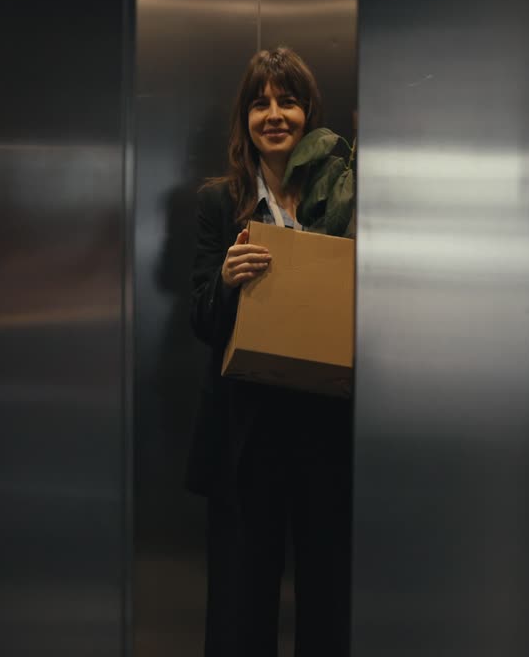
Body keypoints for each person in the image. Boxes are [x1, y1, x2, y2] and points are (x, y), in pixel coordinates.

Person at [188, 47, 355, 657]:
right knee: (240, 606)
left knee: (330, 600)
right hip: (246, 435)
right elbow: (200, 320)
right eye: (260, 103)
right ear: (245, 119)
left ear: (309, 113)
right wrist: (227, 282)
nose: (274, 114)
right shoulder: (218, 202)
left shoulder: (345, 201)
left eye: (287, 100)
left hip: (327, 429)